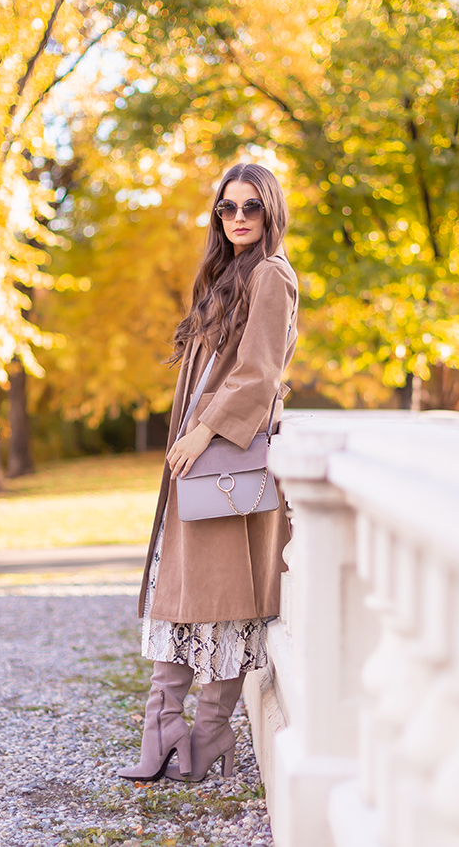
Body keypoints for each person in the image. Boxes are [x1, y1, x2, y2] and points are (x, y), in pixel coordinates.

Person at [118, 162, 298, 784]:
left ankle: (210, 730)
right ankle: (167, 723)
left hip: (223, 458)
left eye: (251, 206)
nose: (239, 217)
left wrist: (205, 429)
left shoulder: (272, 275)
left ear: (270, 211)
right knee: (183, 592)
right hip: (198, 460)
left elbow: (261, 371)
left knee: (217, 597)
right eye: (228, 208)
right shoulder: (224, 276)